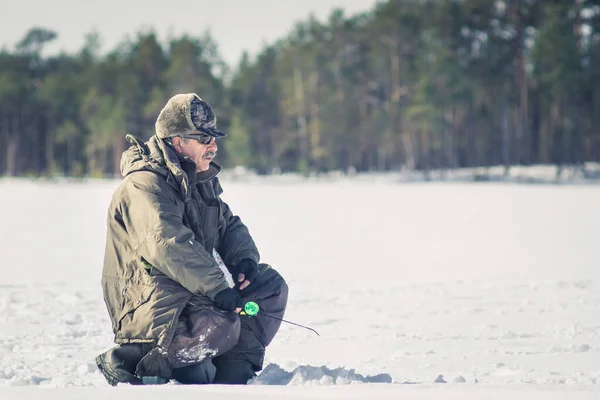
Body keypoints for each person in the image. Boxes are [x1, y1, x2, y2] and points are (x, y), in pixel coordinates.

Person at [95, 93, 288, 386]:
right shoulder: (143, 185)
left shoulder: (199, 182)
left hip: (191, 291)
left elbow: (228, 224)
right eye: (203, 138)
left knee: (269, 288)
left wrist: (244, 261)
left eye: (214, 138)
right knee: (221, 326)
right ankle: (135, 359)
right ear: (177, 142)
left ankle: (232, 372)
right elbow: (167, 242)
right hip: (152, 302)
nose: (213, 146)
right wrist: (217, 288)